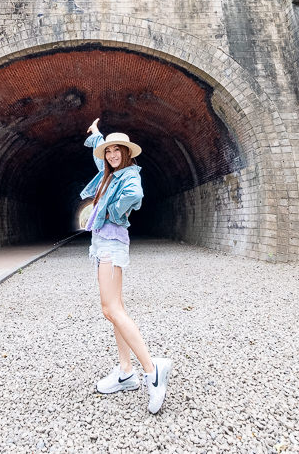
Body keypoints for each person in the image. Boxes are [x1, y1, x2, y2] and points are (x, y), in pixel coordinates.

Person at [81, 117, 173, 414]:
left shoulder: (129, 174)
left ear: (127, 152)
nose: (111, 155)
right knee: (115, 307)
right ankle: (125, 372)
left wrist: (114, 211)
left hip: (111, 241)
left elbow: (135, 194)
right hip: (102, 242)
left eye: (117, 150)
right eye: (108, 151)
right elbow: (102, 158)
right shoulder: (109, 173)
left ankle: (151, 369)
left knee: (110, 309)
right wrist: (97, 136)